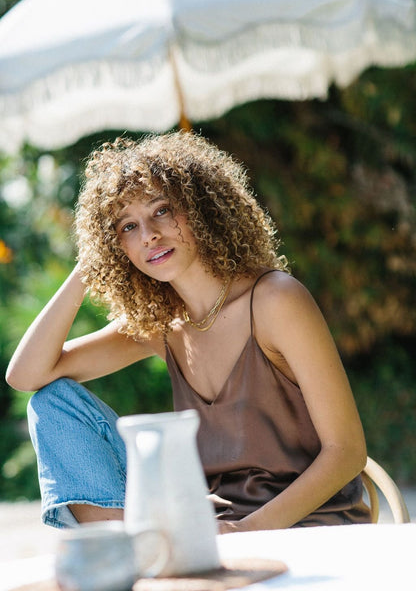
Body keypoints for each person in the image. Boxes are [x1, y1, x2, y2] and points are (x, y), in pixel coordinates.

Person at [6, 131, 371, 532]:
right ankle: (130, 545)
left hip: (303, 526)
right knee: (51, 403)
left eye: (161, 210)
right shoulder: (160, 325)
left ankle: (137, 550)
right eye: (127, 227)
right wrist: (90, 263)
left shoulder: (276, 301)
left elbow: (346, 452)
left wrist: (244, 532)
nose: (149, 235)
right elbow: (27, 376)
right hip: (210, 526)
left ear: (202, 209)